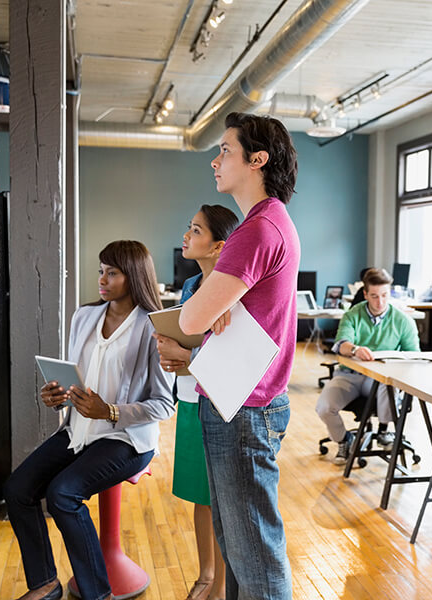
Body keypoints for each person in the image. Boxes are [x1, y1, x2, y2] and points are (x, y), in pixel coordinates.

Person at [3, 241, 175, 600]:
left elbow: (163, 404)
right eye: (100, 271)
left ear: (134, 276)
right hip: (79, 431)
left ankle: (98, 594)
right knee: (18, 489)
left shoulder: (153, 328)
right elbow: (75, 381)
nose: (102, 279)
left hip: (126, 440)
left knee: (63, 494)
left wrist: (110, 411)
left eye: (112, 272)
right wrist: (57, 397)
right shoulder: (84, 316)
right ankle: (46, 583)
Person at [179, 112, 299, 600]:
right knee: (240, 554)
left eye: (225, 150)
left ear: (258, 159)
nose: (215, 160)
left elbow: (189, 320)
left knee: (257, 563)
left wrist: (208, 306)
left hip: (244, 409)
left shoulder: (257, 229)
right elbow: (206, 313)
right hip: (240, 404)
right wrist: (213, 305)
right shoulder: (270, 224)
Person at [154, 204, 239, 600]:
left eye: (196, 230)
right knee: (199, 497)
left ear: (219, 246)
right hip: (189, 397)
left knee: (220, 501)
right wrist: (172, 353)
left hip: (219, 403)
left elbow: (228, 358)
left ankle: (220, 587)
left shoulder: (234, 292)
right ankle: (206, 575)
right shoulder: (190, 287)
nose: (185, 237)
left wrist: (185, 356)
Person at [316, 268, 420, 464]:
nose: (380, 302)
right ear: (365, 294)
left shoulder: (403, 320)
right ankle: (344, 440)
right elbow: (341, 344)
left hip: (379, 380)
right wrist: (355, 349)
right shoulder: (353, 315)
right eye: (374, 296)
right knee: (324, 407)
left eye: (384, 295)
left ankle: (383, 430)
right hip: (350, 376)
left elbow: (414, 356)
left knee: (386, 384)